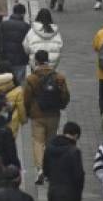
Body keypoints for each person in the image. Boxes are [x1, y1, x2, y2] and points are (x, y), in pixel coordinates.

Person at [24, 50, 70, 185]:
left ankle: (40, 169)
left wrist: (27, 112)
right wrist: (61, 106)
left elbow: (26, 98)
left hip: (37, 115)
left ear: (36, 61)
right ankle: (50, 170)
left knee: (38, 142)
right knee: (50, 142)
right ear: (48, 60)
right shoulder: (59, 77)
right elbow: (66, 95)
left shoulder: (32, 78)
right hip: (54, 114)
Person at [0, 4, 30, 84]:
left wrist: (1, 50)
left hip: (4, 59)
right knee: (19, 83)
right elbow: (29, 45)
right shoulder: (26, 27)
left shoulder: (3, 24)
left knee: (4, 83)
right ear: (23, 14)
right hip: (21, 60)